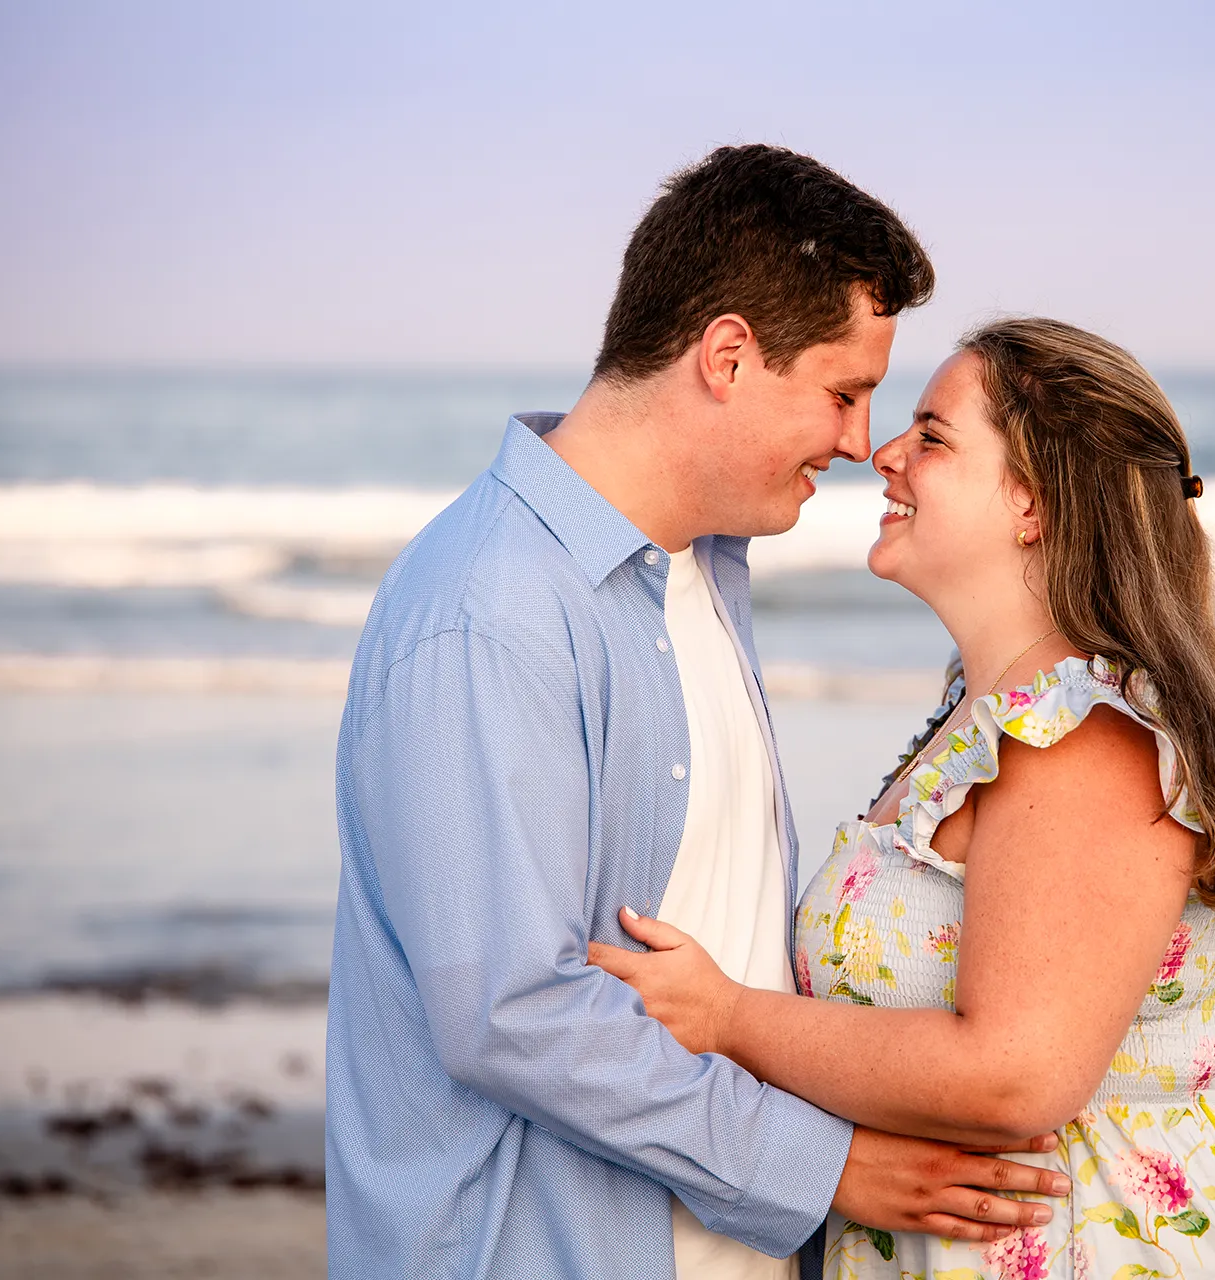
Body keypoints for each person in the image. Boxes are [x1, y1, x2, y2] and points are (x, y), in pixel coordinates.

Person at [324, 145, 1069, 1280]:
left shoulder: (702, 569)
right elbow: (511, 1010)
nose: (863, 441)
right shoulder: (490, 613)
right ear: (727, 355)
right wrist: (821, 1165)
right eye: (842, 390)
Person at [591, 318, 1215, 1279]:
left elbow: (1016, 1075)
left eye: (932, 436)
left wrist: (727, 1019)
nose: (884, 453)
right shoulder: (988, 719)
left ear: (1034, 502)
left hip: (1090, 1247)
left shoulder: (1082, 741)